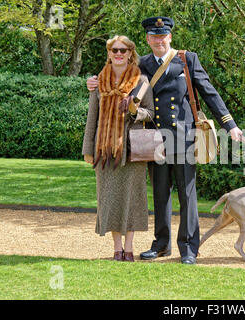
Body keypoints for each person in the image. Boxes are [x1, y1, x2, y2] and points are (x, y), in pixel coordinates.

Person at [87, 17, 242, 265]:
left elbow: (208, 92)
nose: (159, 40)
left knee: (187, 195)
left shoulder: (187, 60)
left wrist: (229, 124)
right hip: (155, 139)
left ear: (170, 37)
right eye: (154, 36)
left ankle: (189, 248)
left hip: (183, 138)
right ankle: (161, 245)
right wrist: (93, 82)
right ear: (147, 40)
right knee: (160, 194)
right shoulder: (142, 64)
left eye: (163, 36)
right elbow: (117, 77)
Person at [82, 35, 154, 262]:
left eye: (124, 50)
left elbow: (150, 113)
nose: (119, 54)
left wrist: (134, 111)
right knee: (110, 198)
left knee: (132, 198)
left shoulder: (141, 81)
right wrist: (88, 149)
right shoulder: (98, 82)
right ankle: (116, 248)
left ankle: (130, 247)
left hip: (132, 150)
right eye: (115, 50)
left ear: (131, 53)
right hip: (105, 152)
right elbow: (92, 118)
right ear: (109, 53)